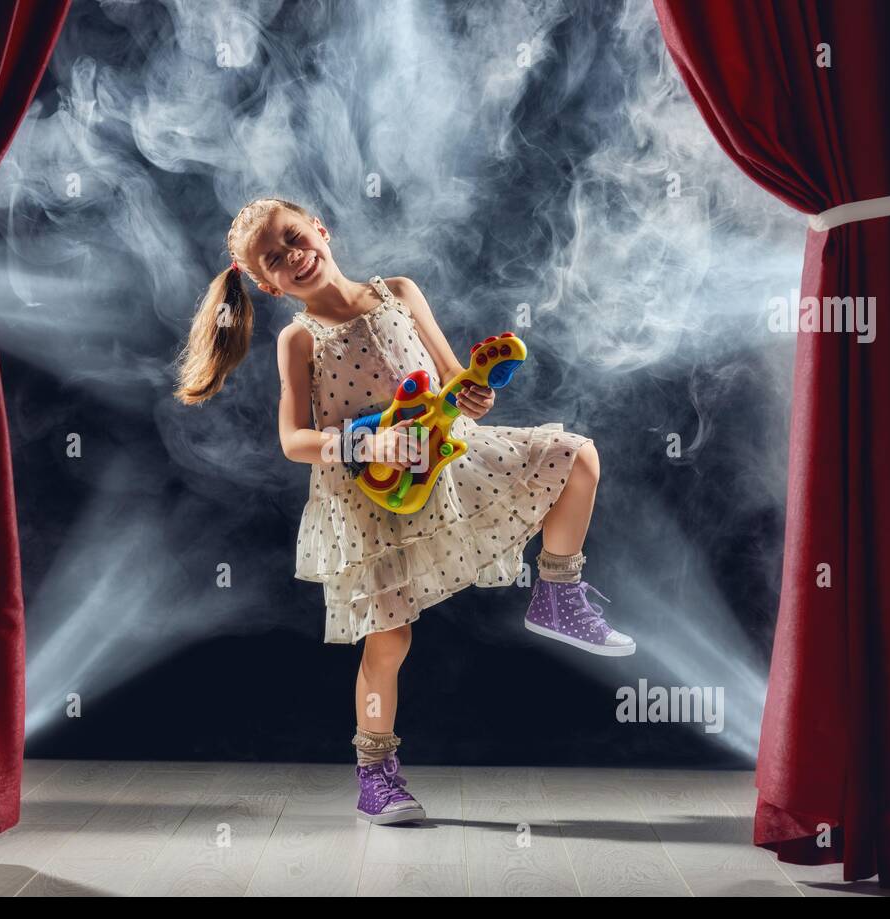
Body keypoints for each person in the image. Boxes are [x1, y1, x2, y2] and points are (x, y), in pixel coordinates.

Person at [175, 197, 635, 824]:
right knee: (389, 642)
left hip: (447, 460)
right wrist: (366, 441)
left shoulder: (399, 292)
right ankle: (376, 776)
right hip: (368, 493)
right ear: (265, 282)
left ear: (319, 227)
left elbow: (454, 386)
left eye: (294, 237)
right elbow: (293, 441)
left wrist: (471, 393)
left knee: (576, 457)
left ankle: (558, 592)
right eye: (274, 259)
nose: (294, 256)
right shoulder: (299, 337)